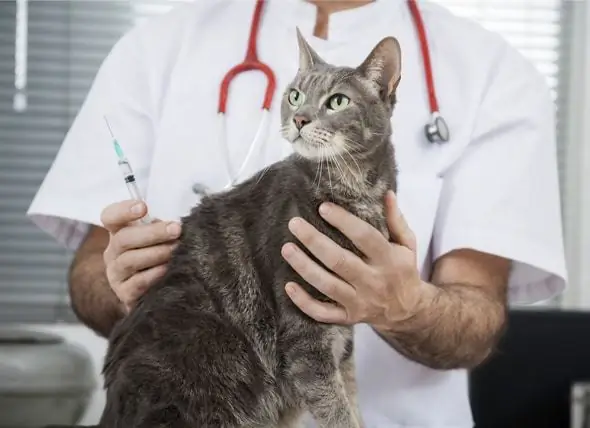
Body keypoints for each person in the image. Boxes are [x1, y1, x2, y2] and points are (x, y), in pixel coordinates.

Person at [27, 0, 568, 427]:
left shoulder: (496, 72)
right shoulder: (155, 47)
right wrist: (121, 281)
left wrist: (406, 306)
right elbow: (91, 276)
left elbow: (475, 321)